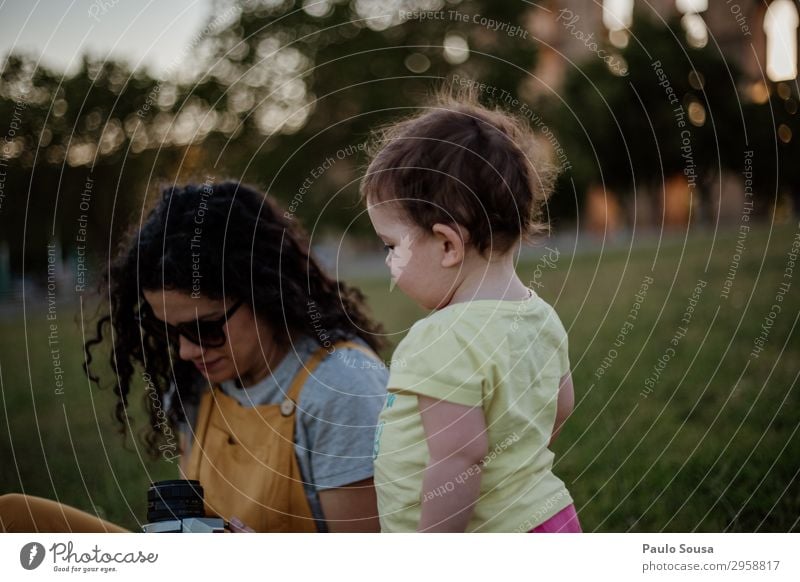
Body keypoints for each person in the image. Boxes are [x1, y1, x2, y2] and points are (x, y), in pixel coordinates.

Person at [0, 181, 387, 533]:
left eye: (205, 328)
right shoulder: (196, 380)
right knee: (13, 516)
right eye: (170, 330)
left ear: (265, 293)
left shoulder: (340, 386)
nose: (186, 350)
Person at [362, 91, 581, 532]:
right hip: (547, 517)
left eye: (391, 246)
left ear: (447, 245)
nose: (389, 263)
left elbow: (457, 459)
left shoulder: (441, 337)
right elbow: (561, 407)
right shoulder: (540, 317)